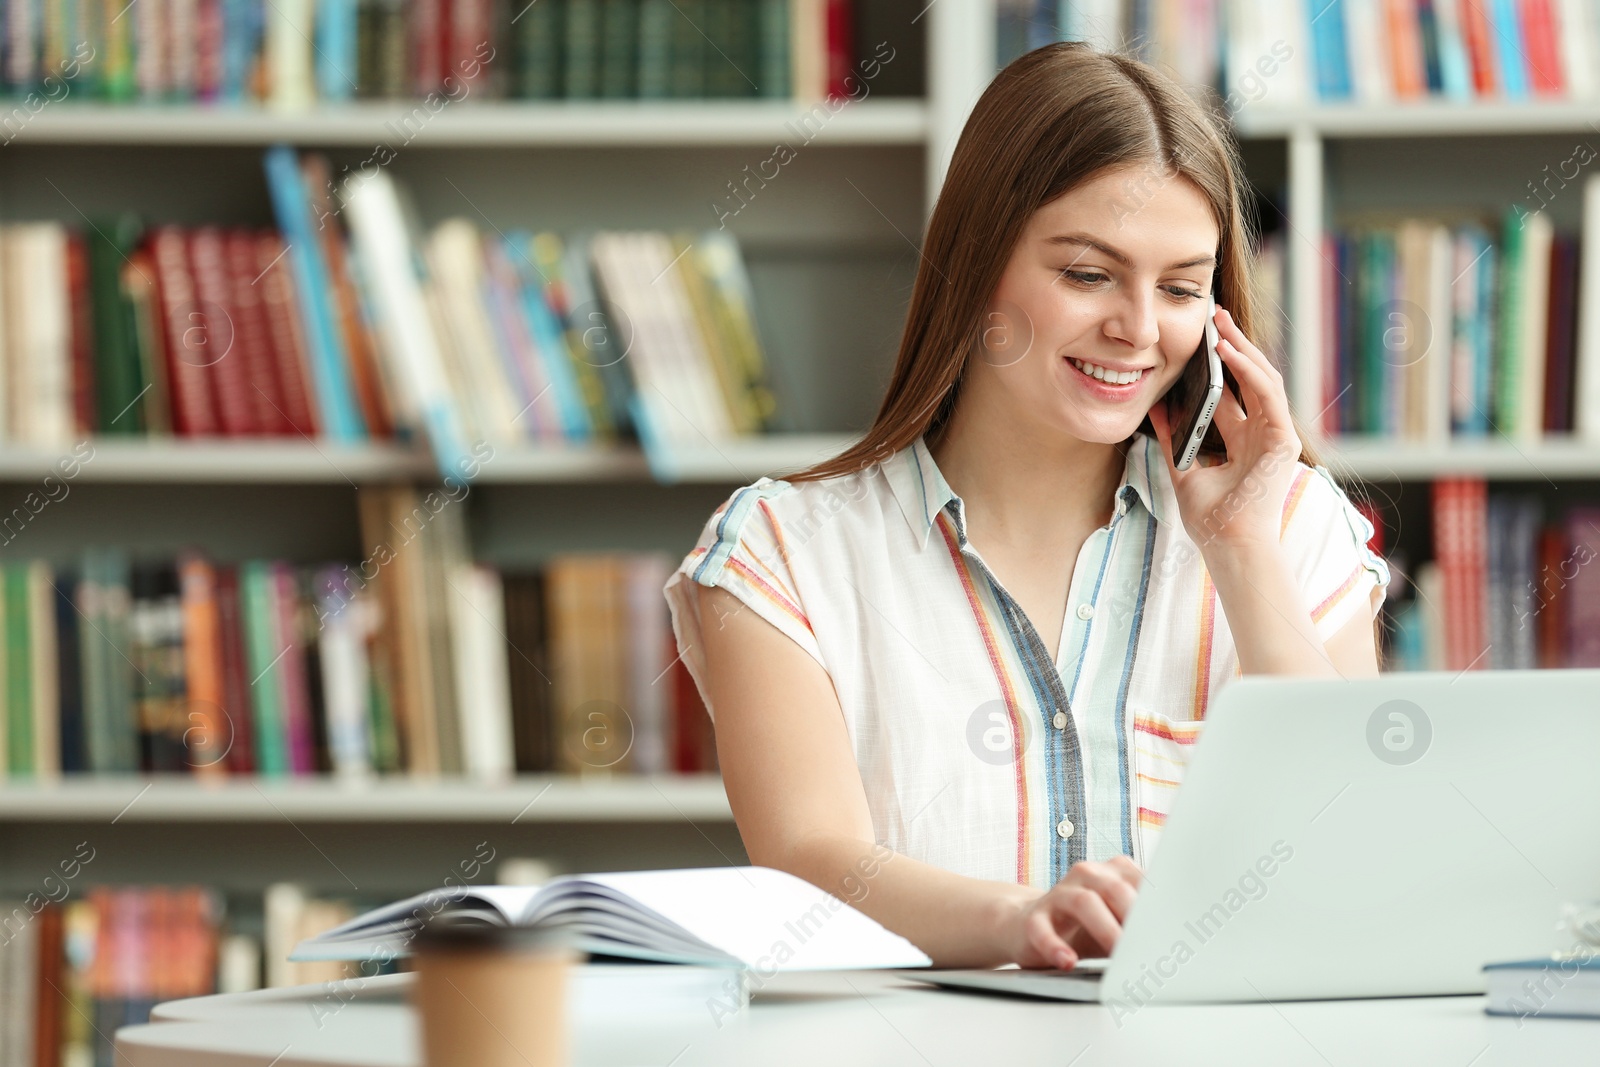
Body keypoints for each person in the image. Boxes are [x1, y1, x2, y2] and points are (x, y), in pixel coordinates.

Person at [662, 42, 1390, 971]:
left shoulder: (1291, 527)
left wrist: (1243, 549)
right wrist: (1025, 920)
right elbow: (809, 863)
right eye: (1088, 274)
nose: (1137, 327)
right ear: (978, 267)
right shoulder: (783, 552)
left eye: (1179, 287)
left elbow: (1354, 853)